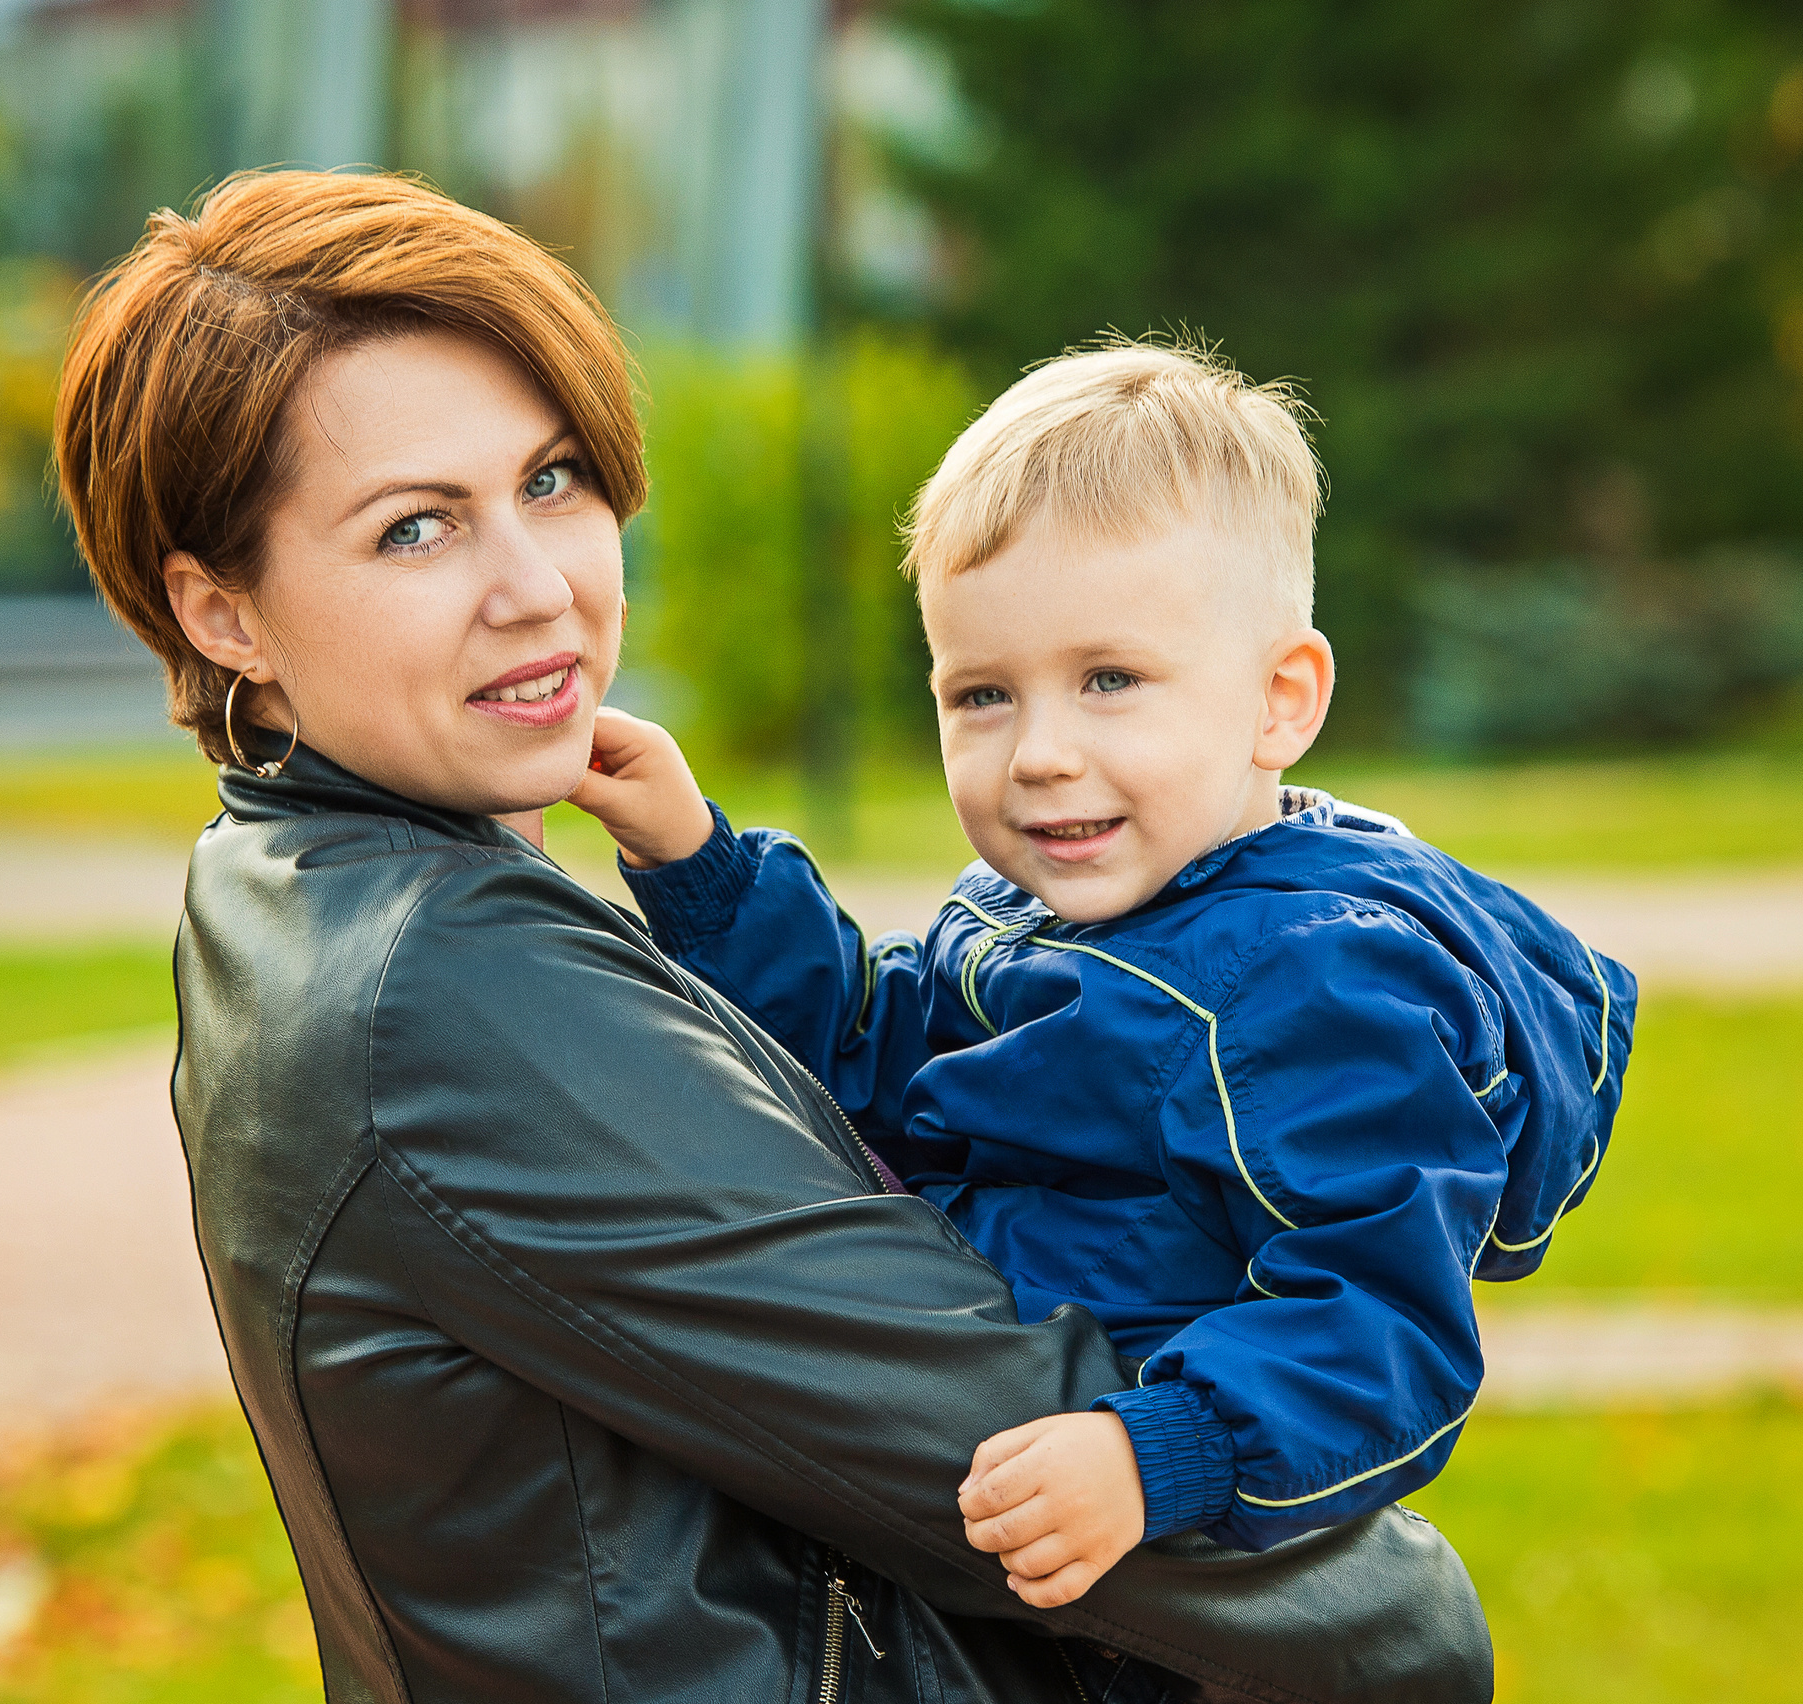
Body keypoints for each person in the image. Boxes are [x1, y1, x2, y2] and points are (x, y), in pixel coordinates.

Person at [53, 170, 1488, 1704]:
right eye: (416, 531)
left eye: (550, 482)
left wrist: (708, 876)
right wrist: (1409, 1625)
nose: (536, 591)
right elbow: (980, 1445)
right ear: (223, 615)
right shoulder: (447, 998)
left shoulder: (282, 878)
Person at [570, 342, 1640, 1611]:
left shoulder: (1312, 989)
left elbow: (1380, 1324)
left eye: (1110, 681)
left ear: (1279, 701)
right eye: (980, 695)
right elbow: (875, 1051)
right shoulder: (1040, 910)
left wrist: (1160, 1453)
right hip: (956, 1445)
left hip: (1145, 1575)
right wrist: (696, 860)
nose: (1040, 754)